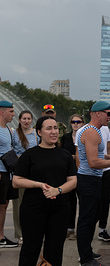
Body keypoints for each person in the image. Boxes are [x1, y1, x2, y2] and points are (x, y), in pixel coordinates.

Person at [12, 116, 77, 266]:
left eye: (55, 128)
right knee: (30, 248)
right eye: (49, 128)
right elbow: (16, 181)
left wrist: (58, 190)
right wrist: (39, 185)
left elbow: (73, 181)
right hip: (33, 209)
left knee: (54, 250)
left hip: (59, 209)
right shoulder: (29, 155)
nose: (54, 132)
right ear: (39, 132)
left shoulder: (65, 155)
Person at [76, 101, 110, 266]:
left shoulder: (88, 130)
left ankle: (87, 252)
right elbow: (92, 162)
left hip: (90, 179)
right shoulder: (92, 132)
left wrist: (109, 157)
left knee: (91, 218)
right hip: (89, 179)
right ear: (97, 113)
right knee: (87, 219)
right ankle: (85, 258)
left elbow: (95, 154)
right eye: (108, 113)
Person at [11, 110, 39, 245]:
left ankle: (34, 230)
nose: (26, 121)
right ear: (20, 120)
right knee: (19, 204)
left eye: (29, 118)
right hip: (20, 173)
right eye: (24, 119)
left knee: (34, 203)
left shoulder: (36, 134)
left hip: (34, 173)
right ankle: (20, 233)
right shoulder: (14, 134)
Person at [60, 113, 85, 240]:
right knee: (69, 202)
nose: (76, 124)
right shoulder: (66, 137)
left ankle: (80, 230)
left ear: (82, 123)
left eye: (78, 122)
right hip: (68, 173)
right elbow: (60, 152)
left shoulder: (85, 137)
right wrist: (71, 157)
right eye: (73, 122)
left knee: (83, 201)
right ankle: (69, 228)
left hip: (81, 172)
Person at [0, 100, 18, 248]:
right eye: (11, 111)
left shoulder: (8, 129)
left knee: (4, 205)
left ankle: (1, 235)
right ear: (2, 112)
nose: (13, 114)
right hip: (0, 172)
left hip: (8, 172)